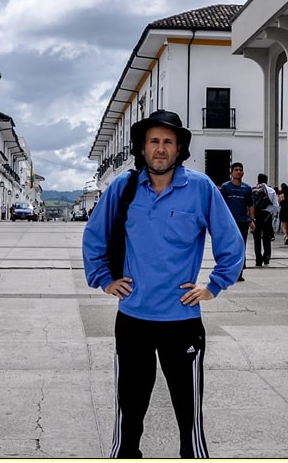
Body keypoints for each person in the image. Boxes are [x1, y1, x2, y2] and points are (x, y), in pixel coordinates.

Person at [82, 109, 245, 457]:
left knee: (189, 419)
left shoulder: (200, 188)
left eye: (168, 142)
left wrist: (213, 286)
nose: (160, 148)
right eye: (153, 141)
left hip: (182, 323)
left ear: (179, 148)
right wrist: (105, 279)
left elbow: (232, 245)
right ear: (142, 147)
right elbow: (94, 235)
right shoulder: (123, 188)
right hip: (133, 321)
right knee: (129, 417)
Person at [219, 162, 254, 281]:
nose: (238, 172)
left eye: (240, 170)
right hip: (229, 222)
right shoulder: (226, 187)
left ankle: (239, 272)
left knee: (241, 247)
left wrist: (252, 220)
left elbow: (250, 205)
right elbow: (221, 204)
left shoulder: (247, 188)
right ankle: (229, 270)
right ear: (231, 172)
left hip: (242, 221)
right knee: (229, 247)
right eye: (236, 170)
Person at [251, 173, 279, 267]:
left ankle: (258, 259)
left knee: (257, 237)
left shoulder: (253, 189)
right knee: (267, 237)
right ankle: (266, 256)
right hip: (267, 215)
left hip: (256, 215)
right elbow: (275, 205)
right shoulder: (271, 190)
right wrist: (274, 215)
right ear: (266, 180)